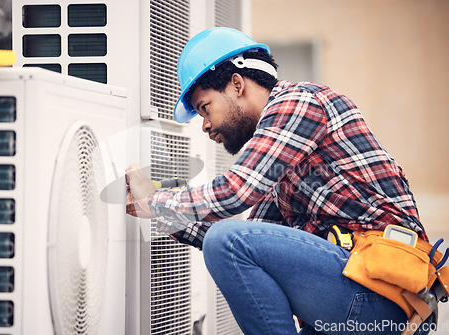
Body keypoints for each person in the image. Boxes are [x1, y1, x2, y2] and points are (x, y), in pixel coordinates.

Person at [125, 27, 433, 335]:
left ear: (236, 85)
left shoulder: (300, 102)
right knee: (227, 240)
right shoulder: (283, 157)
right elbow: (246, 243)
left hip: (384, 294)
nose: (205, 126)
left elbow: (235, 193)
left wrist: (155, 202)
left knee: (227, 238)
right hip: (361, 289)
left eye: (205, 108)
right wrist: (164, 212)